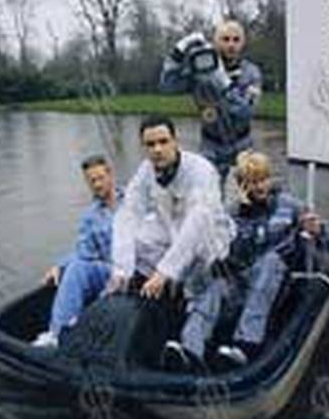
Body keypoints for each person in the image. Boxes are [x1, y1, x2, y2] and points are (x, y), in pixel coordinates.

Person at [108, 114, 236, 370]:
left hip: (210, 238)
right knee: (138, 237)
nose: (157, 149)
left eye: (163, 142)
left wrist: (165, 271)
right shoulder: (146, 170)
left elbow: (197, 223)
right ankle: (142, 292)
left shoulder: (200, 170)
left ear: (175, 142)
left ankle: (189, 328)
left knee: (200, 251)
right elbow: (128, 213)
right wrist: (121, 268)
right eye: (150, 144)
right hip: (172, 230)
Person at [214, 151, 329, 365]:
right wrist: (244, 214)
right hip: (243, 279)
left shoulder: (290, 206)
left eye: (263, 179)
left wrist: (318, 230)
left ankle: (248, 343)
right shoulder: (232, 215)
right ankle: (197, 344)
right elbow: (230, 256)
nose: (259, 186)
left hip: (281, 282)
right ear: (241, 185)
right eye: (252, 182)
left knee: (270, 263)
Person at [159, 19, 262, 194]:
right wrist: (178, 53)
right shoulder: (199, 70)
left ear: (243, 43)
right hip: (211, 144)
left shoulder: (251, 73)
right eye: (225, 39)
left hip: (242, 142)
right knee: (207, 193)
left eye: (236, 40)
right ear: (216, 41)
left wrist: (224, 84)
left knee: (252, 191)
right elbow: (167, 86)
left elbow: (246, 111)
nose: (231, 45)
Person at [32, 154, 123, 348]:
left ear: (110, 175)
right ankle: (57, 334)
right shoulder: (90, 217)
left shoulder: (134, 199)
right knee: (78, 267)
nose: (97, 185)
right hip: (110, 270)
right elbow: (83, 252)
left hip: (137, 268)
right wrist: (59, 266)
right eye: (92, 181)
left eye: (100, 178)